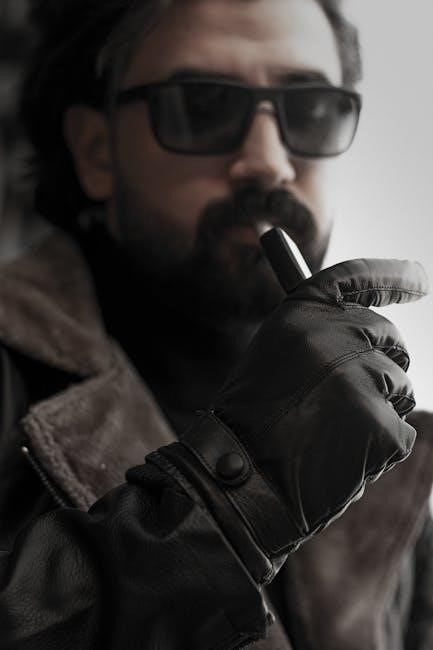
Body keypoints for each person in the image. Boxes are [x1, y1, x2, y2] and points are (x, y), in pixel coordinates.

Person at [0, 0, 432, 648]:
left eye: (311, 108)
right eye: (202, 104)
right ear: (95, 151)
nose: (268, 162)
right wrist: (241, 487)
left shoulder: (372, 439)